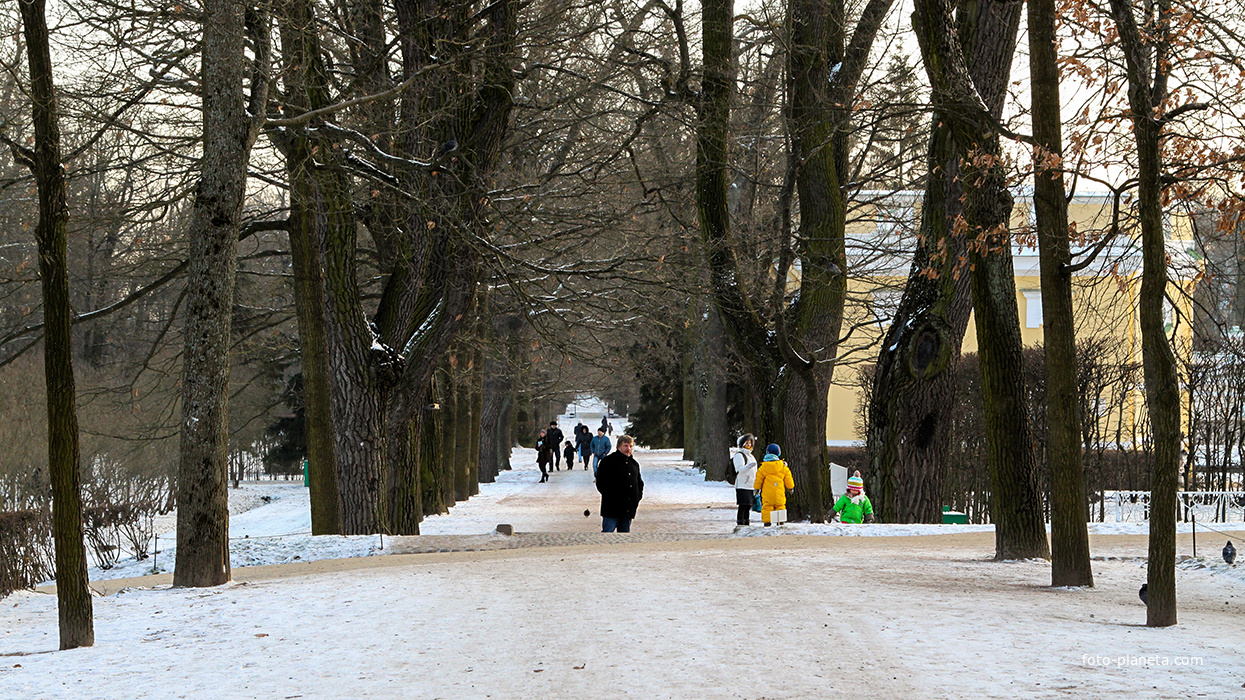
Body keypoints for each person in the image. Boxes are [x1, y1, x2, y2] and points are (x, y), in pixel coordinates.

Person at [595, 434, 644, 532]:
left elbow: (639, 482)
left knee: (624, 540)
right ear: (619, 447)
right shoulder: (607, 462)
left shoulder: (634, 464)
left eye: (630, 446)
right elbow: (600, 482)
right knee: (607, 535)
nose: (628, 449)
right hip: (611, 508)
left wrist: (637, 496)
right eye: (625, 446)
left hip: (628, 509)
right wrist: (610, 495)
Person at [753, 443, 794, 526]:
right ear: (778, 453)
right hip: (779, 493)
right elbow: (788, 479)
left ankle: (767, 522)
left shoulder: (763, 467)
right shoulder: (783, 467)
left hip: (767, 493)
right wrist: (790, 488)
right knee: (780, 506)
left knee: (767, 507)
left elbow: (758, 480)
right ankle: (780, 521)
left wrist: (756, 489)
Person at [731, 434, 759, 527]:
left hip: (751, 485)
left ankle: (746, 523)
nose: (749, 445)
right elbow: (739, 469)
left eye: (750, 443)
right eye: (747, 443)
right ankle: (740, 523)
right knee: (743, 505)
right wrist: (748, 467)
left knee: (748, 506)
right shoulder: (739, 455)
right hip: (742, 485)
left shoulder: (751, 456)